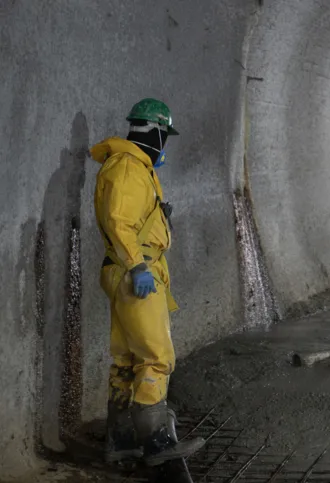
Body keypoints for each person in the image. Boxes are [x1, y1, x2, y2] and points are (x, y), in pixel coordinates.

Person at [90, 98, 204, 466]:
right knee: (157, 356)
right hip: (134, 273)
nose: (165, 143)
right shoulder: (127, 168)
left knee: (126, 358)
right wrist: (138, 266)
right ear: (156, 132)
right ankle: (156, 441)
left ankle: (120, 439)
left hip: (126, 270)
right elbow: (118, 220)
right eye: (165, 135)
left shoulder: (133, 166)